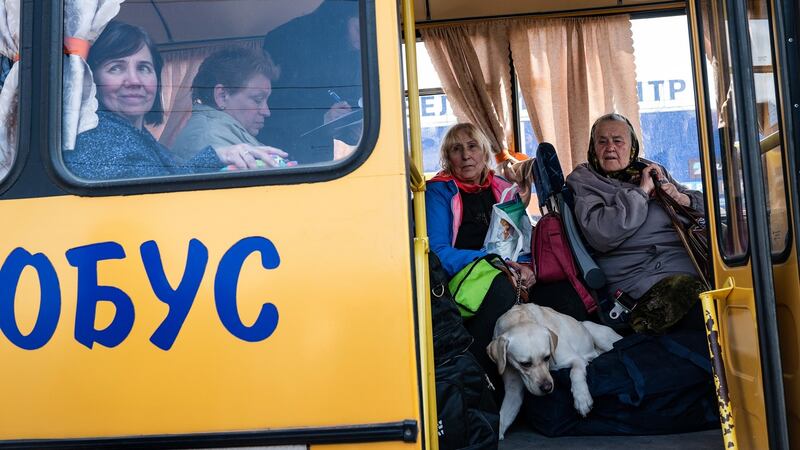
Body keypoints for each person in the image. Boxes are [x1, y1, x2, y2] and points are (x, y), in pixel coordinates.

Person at [63, 21, 284, 180]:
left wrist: (219, 155)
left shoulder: (134, 135)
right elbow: (159, 196)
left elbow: (167, 176)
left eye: (144, 68)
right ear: (91, 79)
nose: (134, 80)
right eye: (116, 68)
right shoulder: (100, 143)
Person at [565, 113, 706, 333]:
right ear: (593, 148)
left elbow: (704, 205)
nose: (610, 147)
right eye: (602, 141)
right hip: (643, 276)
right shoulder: (584, 180)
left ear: (633, 146)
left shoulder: (649, 168)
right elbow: (602, 233)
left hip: (691, 258)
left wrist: (680, 198)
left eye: (618, 141)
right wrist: (641, 193)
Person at [426, 123, 535, 386]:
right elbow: (439, 253)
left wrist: (526, 266)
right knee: (501, 288)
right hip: (459, 277)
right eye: (456, 149)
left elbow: (522, 241)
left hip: (505, 270)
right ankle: (481, 383)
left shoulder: (505, 189)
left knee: (556, 291)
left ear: (484, 152)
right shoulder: (438, 191)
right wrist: (491, 261)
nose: (466, 156)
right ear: (447, 158)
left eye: (472, 146)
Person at [258, 0, 362, 164]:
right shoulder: (285, 39)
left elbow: (350, 102)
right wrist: (321, 120)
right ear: (340, 19)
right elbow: (268, 109)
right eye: (358, 30)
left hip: (320, 156)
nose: (360, 43)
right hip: (276, 155)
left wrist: (354, 129)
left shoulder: (355, 54)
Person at [171, 47, 290, 168]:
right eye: (257, 100)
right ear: (222, 96)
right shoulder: (211, 139)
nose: (267, 112)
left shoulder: (221, 134)